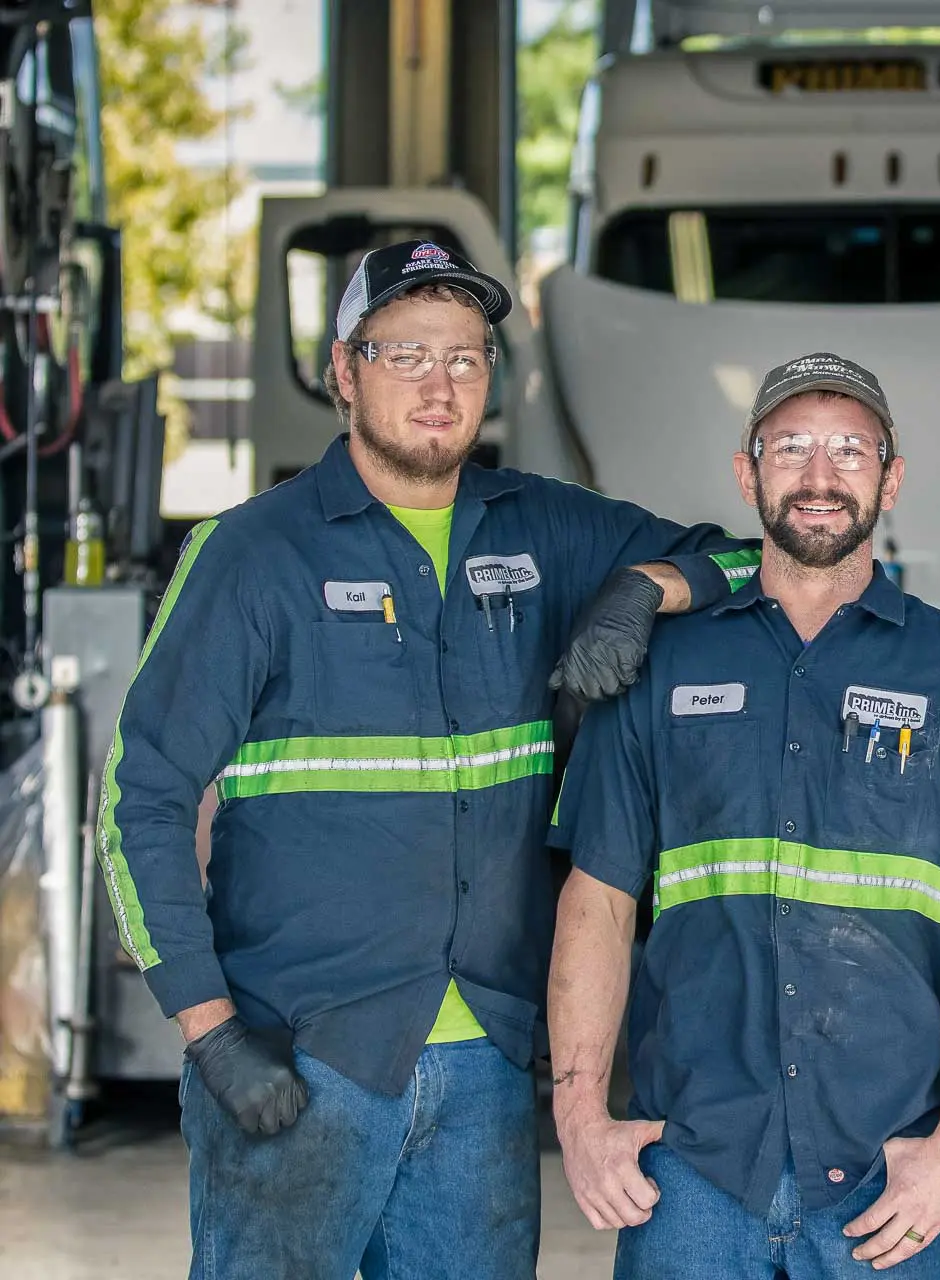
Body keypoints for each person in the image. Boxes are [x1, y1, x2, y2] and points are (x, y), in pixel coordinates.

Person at [97, 241, 752, 1278]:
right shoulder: (254, 554)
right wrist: (208, 1027)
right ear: (344, 371)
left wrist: (643, 590)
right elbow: (140, 795)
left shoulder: (541, 527)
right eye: (405, 353)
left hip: (485, 1061)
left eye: (465, 356)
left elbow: (743, 557)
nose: (440, 384)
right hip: (296, 1054)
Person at [546, 352, 940, 1280]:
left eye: (851, 448)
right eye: (790, 446)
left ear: (892, 476)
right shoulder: (661, 671)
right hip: (694, 1171)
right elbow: (594, 904)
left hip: (885, 1182)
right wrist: (581, 1119)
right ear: (746, 472)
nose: (821, 475)